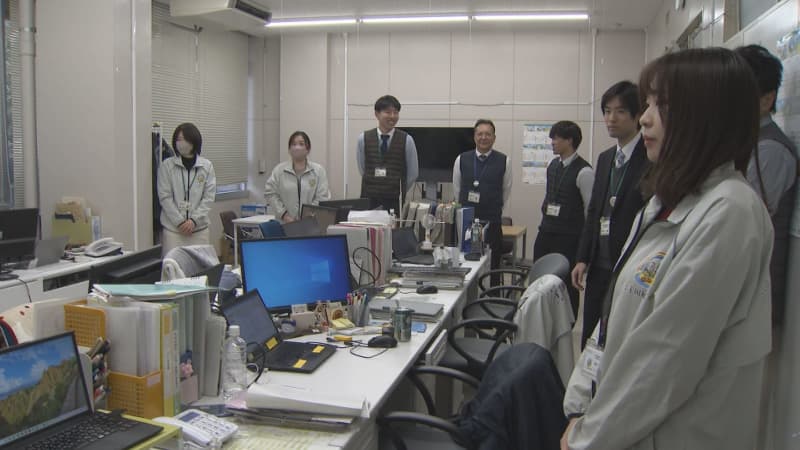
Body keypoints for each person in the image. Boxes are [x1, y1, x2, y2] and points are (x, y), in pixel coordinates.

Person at [561, 47, 773, 450]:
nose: (645, 118)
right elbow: (612, 319)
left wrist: (588, 436)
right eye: (648, 103)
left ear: (709, 117)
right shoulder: (663, 203)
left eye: (664, 106)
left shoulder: (729, 212)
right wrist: (580, 405)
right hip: (620, 427)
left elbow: (664, 359)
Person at [572, 81, 651, 349]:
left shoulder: (650, 158)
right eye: (607, 111)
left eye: (620, 112)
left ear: (637, 115)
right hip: (599, 264)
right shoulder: (605, 158)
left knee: (620, 336)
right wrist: (582, 257)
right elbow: (594, 211)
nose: (611, 119)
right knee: (591, 334)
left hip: (630, 265)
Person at [736, 44, 798, 326]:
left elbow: (741, 227)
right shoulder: (743, 142)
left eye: (735, 92)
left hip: (752, 299)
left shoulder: (770, 150)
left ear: (766, 99)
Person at [533, 120, 594, 316]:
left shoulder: (584, 171)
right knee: (540, 278)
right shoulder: (553, 165)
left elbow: (590, 212)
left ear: (569, 141)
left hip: (569, 237)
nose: (552, 142)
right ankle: (541, 316)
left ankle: (568, 320)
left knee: (566, 283)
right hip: (546, 231)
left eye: (556, 138)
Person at [453, 119, 512, 283]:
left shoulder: (504, 161)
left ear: (494, 137)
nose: (483, 137)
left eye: (488, 134)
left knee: (493, 264)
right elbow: (457, 189)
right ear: (474, 137)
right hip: (467, 221)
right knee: (466, 261)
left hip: (492, 221)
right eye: (480, 134)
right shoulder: (461, 159)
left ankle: (492, 295)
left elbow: (506, 190)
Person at [157, 123, 217, 255]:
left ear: (194, 141)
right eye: (178, 139)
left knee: (200, 265)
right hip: (173, 231)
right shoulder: (167, 166)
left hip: (199, 231)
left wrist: (194, 221)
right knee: (172, 265)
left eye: (184, 139)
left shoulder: (206, 166)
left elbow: (208, 197)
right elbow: (165, 197)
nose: (181, 143)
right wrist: (179, 222)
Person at [356, 95, 419, 213]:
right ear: (377, 114)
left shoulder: (407, 140)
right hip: (369, 198)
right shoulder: (363, 139)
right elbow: (363, 168)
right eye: (388, 112)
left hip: (394, 200)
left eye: (396, 112)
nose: (392, 116)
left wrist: (399, 189)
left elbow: (413, 173)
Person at [264, 131, 331, 223]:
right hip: (285, 224)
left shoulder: (318, 171)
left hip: (311, 223)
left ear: (308, 149)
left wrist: (308, 216)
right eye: (293, 144)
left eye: (301, 144)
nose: (297, 147)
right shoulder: (279, 170)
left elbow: (322, 197)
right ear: (289, 149)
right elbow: (270, 193)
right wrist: (284, 215)